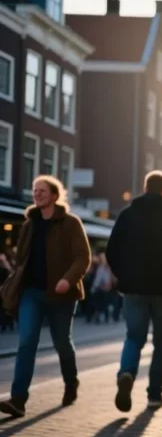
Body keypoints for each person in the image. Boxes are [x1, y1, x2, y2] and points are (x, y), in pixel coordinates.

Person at [0, 176, 91, 418]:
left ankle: (71, 382)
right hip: (32, 293)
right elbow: (22, 260)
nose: (37, 194)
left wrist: (67, 280)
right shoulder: (29, 224)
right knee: (26, 342)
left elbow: (83, 257)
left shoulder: (71, 223)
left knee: (62, 342)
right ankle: (18, 399)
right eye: (34, 190)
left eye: (42, 191)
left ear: (54, 195)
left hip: (62, 294)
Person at [107, 171, 162, 412]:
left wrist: (123, 276)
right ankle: (155, 393)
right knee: (161, 342)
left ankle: (126, 373)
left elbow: (112, 250)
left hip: (133, 289)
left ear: (144, 188)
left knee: (134, 336)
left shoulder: (127, 215)